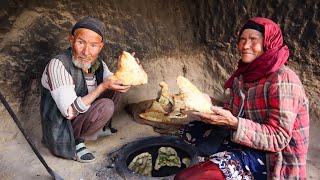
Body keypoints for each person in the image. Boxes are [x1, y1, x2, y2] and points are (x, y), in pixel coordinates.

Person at [175, 17, 309, 179]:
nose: (245, 46)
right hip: (246, 137)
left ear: (268, 43)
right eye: (242, 40)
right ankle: (220, 162)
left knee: (188, 177)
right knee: (189, 130)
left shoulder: (283, 79)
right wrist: (209, 105)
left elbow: (278, 139)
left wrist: (233, 123)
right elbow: (234, 112)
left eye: (254, 40)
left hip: (273, 156)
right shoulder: (245, 73)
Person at [40, 17, 132, 163]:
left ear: (100, 47)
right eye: (81, 42)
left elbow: (114, 81)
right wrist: (102, 87)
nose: (86, 52)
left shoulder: (97, 63)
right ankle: (76, 141)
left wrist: (129, 70)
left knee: (114, 88)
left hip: (82, 113)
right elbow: (69, 111)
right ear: (71, 40)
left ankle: (97, 128)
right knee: (106, 105)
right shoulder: (58, 65)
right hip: (64, 125)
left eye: (93, 45)